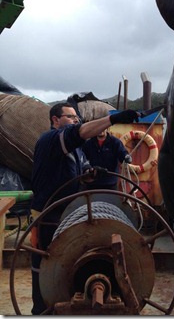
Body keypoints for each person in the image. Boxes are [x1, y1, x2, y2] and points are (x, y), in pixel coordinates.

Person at [30, 102, 139, 315]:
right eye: (70, 117)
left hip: (67, 214)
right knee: (44, 266)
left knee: (66, 262)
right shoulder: (50, 140)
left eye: (76, 117)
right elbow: (78, 133)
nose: (75, 121)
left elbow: (82, 163)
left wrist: (89, 170)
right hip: (47, 216)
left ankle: (66, 300)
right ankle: (41, 311)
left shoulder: (76, 148)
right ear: (55, 120)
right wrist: (113, 119)